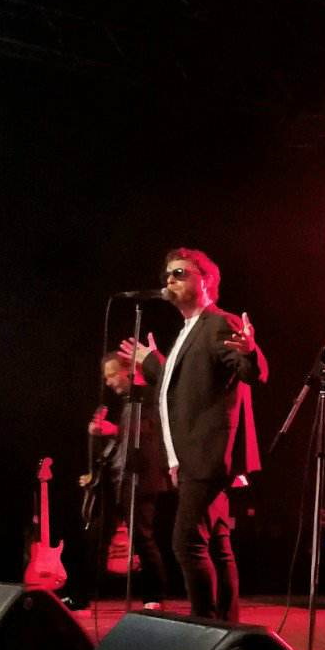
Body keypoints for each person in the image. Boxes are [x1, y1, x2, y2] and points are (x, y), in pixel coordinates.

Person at [120, 248, 265, 621]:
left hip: (207, 454)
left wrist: (250, 352)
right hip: (190, 457)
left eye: (180, 273)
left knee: (186, 541)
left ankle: (205, 623)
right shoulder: (189, 330)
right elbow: (184, 390)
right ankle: (225, 623)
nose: (170, 279)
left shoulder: (218, 323)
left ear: (207, 281)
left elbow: (250, 372)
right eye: (168, 274)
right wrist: (152, 363)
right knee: (216, 543)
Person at [80, 351, 170, 607]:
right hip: (116, 478)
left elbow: (151, 433)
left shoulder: (149, 397)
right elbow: (125, 441)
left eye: (112, 375)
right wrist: (105, 433)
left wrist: (114, 430)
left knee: (142, 537)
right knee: (96, 536)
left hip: (139, 478)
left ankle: (155, 596)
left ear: (129, 371)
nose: (108, 382)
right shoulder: (127, 401)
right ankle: (82, 596)